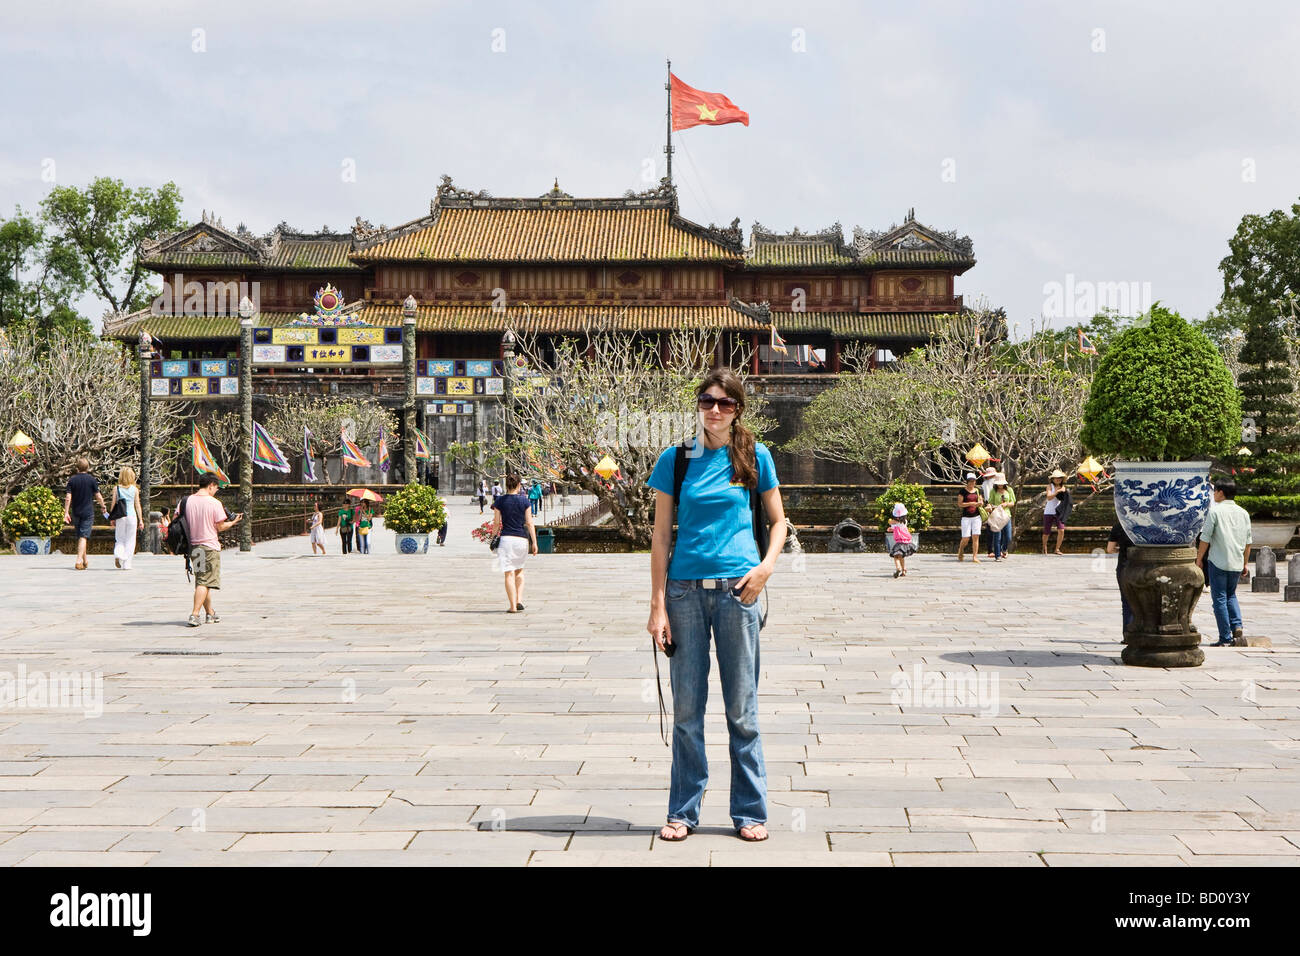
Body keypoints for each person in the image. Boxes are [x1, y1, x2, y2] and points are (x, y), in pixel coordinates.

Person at [646, 367, 787, 845]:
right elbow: (662, 533)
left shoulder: (754, 454)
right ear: (698, 405)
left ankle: (749, 810)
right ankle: (683, 811)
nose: (716, 410)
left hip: (737, 591)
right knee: (687, 710)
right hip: (684, 592)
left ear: (738, 409)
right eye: (708, 401)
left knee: (741, 710)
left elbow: (779, 522)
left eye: (726, 403)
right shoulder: (676, 459)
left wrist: (765, 568)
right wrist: (657, 605)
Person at [1196, 477, 1253, 647]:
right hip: (1236, 561)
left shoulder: (1214, 512)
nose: (1213, 494)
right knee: (1231, 595)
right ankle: (1237, 625)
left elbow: (1205, 538)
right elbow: (1248, 542)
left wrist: (1199, 559)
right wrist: (1245, 563)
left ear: (1220, 492)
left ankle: (1225, 636)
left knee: (1219, 598)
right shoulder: (1244, 513)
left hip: (1218, 561)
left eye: (1215, 491)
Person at [181, 474, 242, 627]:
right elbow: (220, 527)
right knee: (204, 582)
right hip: (209, 547)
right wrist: (233, 522)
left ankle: (210, 613)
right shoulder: (214, 503)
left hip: (194, 547)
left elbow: (178, 519)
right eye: (216, 487)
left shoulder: (186, 501)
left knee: (203, 580)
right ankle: (195, 614)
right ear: (211, 485)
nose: (216, 491)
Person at [491, 474, 538, 613]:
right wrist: (534, 542)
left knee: (508, 573)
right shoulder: (524, 501)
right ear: (519, 485)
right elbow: (529, 523)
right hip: (521, 539)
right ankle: (519, 600)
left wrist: (493, 537)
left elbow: (496, 523)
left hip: (506, 539)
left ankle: (512, 606)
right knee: (519, 571)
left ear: (506, 485)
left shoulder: (500, 501)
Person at [63, 457, 109, 571]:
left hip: (76, 511)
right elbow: (98, 495)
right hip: (88, 511)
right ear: (88, 467)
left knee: (80, 535)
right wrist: (103, 506)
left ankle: (85, 560)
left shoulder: (72, 480)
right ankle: (79, 561)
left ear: (77, 468)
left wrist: (66, 512)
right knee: (83, 536)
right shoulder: (92, 480)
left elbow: (68, 497)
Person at [110, 466, 145, 570]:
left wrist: (112, 517)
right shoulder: (135, 490)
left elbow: (113, 504)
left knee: (120, 538)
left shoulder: (116, 489)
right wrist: (141, 520)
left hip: (121, 516)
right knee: (130, 540)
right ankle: (127, 564)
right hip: (132, 516)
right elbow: (137, 505)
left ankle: (118, 552)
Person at [1106, 518, 1136, 634]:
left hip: (1124, 566)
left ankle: (1127, 634)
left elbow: (1109, 549)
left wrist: (1121, 549)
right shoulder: (1144, 524)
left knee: (1127, 602)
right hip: (1143, 566)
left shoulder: (1118, 526)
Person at [987, 473, 1016, 561]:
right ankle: (997, 555)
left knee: (1008, 536)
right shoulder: (993, 491)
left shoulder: (1009, 490)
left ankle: (1004, 549)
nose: (1000, 485)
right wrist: (990, 506)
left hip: (1006, 515)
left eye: (1001, 483)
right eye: (998, 483)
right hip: (997, 515)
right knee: (997, 537)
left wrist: (1006, 504)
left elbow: (1013, 502)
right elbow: (990, 502)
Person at [1042, 469, 1072, 554]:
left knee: (1061, 530)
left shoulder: (1063, 487)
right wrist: (1057, 492)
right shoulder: (1049, 486)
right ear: (1053, 479)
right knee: (1046, 532)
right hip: (1049, 511)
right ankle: (1044, 547)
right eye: (1056, 478)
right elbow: (1049, 497)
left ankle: (1057, 549)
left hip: (1059, 512)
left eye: (1059, 478)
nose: (1058, 479)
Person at [956, 472, 983, 563]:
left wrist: (980, 503)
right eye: (970, 481)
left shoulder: (978, 490)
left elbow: (981, 500)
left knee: (976, 536)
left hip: (976, 516)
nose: (972, 483)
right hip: (966, 517)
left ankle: (975, 556)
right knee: (966, 537)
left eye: (973, 481)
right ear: (967, 482)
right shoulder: (962, 491)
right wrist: (971, 503)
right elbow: (960, 504)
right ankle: (961, 549)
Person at [886, 502, 916, 578]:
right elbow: (896, 527)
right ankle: (903, 570)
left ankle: (898, 568)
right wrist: (891, 529)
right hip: (906, 542)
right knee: (901, 557)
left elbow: (891, 522)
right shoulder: (905, 522)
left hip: (899, 543)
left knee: (896, 556)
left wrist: (891, 525)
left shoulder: (895, 522)